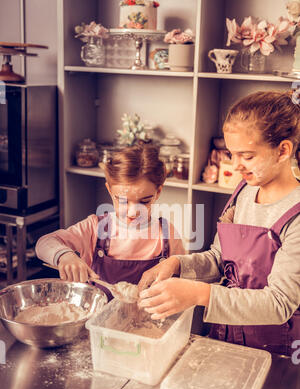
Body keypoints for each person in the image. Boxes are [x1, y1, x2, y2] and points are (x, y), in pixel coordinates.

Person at [138, 90, 300, 356]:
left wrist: (200, 294)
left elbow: (279, 302)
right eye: (231, 154)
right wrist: (177, 263)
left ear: (283, 150)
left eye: (247, 156)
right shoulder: (244, 192)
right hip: (226, 337)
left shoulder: (295, 216)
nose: (235, 165)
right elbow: (219, 259)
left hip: (276, 352)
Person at [36, 143, 185, 300]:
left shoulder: (167, 235)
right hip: (97, 321)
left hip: (149, 322)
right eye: (122, 201)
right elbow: (43, 243)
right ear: (110, 190)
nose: (133, 212)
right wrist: (65, 256)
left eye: (144, 201)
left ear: (158, 192)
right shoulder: (95, 227)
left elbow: (182, 279)